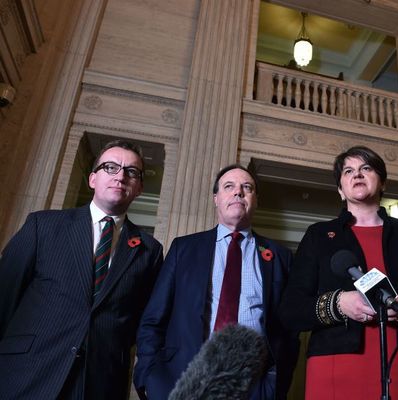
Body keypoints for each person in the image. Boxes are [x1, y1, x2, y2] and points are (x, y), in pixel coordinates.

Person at [278, 145, 398, 399]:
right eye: (349, 171)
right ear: (341, 190)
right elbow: (290, 310)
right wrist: (339, 303)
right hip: (337, 365)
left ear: (382, 182)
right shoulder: (318, 235)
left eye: (366, 168)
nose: (358, 174)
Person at [0, 139, 164, 399]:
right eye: (110, 167)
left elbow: (140, 322)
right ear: (92, 179)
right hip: (25, 375)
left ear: (140, 188)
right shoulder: (42, 226)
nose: (120, 176)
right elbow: (4, 296)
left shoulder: (149, 250)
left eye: (131, 172)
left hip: (98, 384)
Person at [134, 164, 299, 400]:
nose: (238, 192)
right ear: (216, 198)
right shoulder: (185, 248)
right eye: (229, 186)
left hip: (253, 386)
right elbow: (153, 320)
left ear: (255, 199)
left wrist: (275, 385)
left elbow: (288, 332)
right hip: (183, 380)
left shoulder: (280, 256)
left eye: (247, 187)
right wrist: (150, 378)